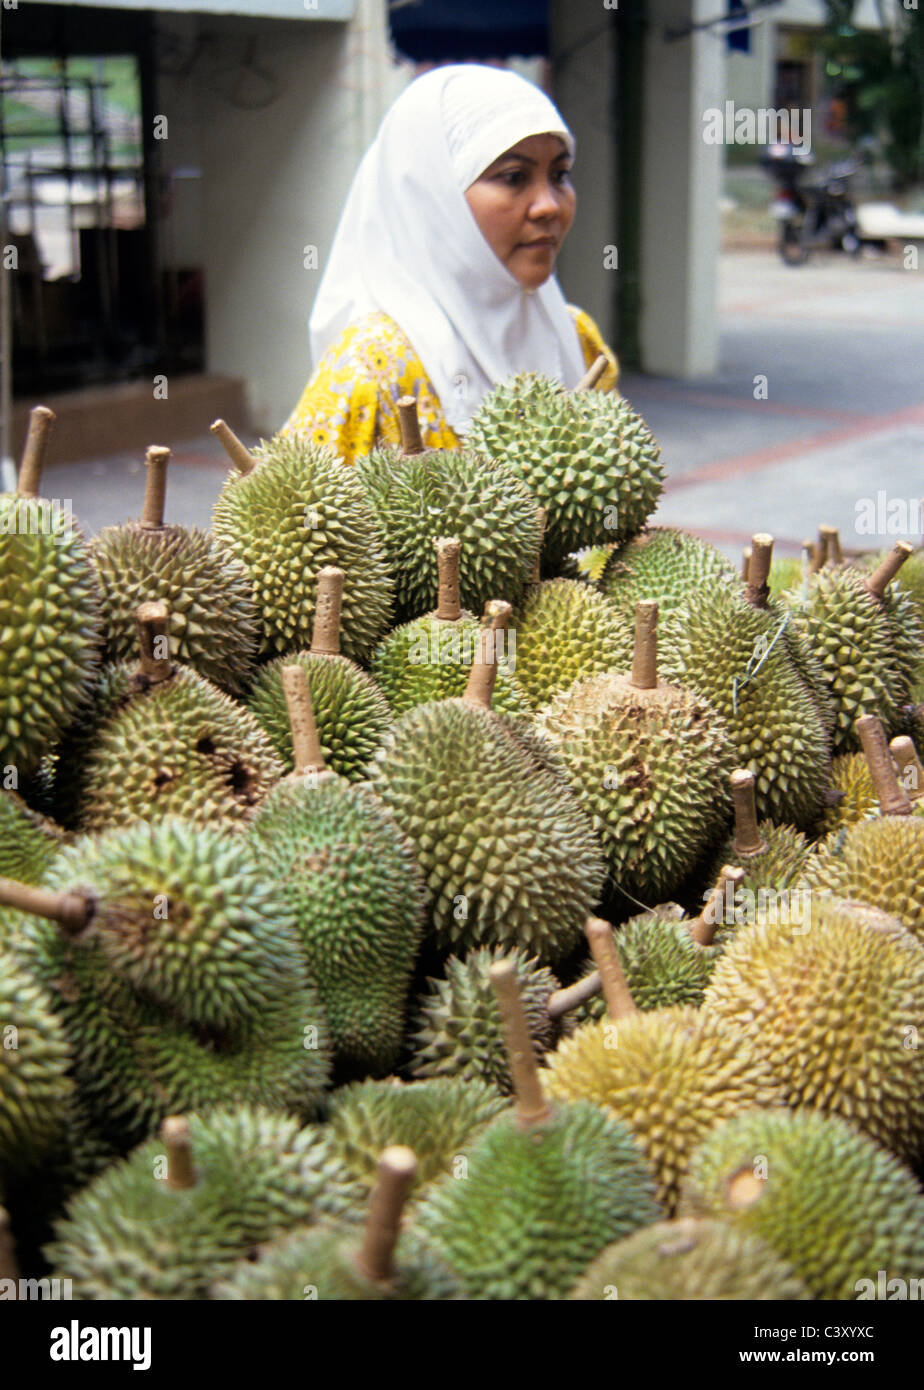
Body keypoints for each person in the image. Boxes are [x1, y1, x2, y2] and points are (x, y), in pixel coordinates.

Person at [280, 62, 619, 465]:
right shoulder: (372, 367)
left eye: (560, 175)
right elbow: (288, 519)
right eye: (513, 177)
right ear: (434, 198)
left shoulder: (578, 341)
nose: (549, 205)